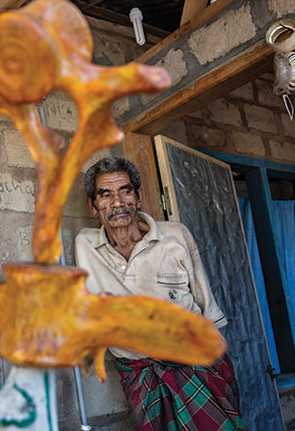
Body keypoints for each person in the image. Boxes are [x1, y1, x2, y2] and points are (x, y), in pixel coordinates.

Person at [74, 157, 245, 431]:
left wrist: (215, 372)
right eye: (105, 195)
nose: (117, 203)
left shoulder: (175, 236)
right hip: (142, 376)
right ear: (92, 206)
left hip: (195, 365)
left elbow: (208, 306)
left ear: (138, 198)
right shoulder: (85, 245)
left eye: (125, 191)